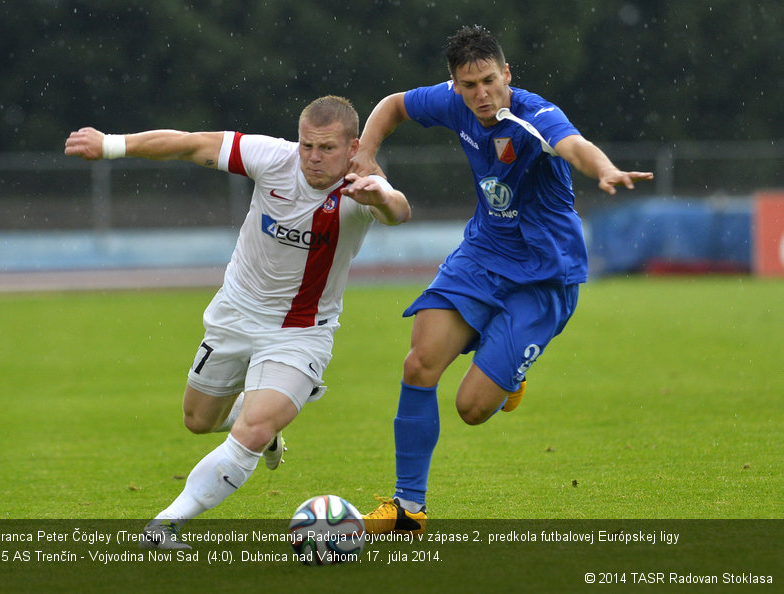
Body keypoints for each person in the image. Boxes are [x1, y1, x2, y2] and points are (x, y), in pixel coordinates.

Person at [64, 95, 411, 548]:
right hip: (235, 314)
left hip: (300, 332)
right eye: (307, 145)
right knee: (197, 420)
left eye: (326, 148)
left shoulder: (362, 185)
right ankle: (260, 425)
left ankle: (165, 525)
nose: (313, 158)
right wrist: (111, 145)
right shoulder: (273, 157)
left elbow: (399, 210)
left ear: (353, 147)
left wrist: (380, 195)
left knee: (254, 428)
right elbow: (191, 144)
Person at [350, 25, 653, 534]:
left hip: (544, 277)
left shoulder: (536, 117)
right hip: (482, 255)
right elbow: (394, 104)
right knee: (419, 363)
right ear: (455, 84)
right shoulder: (452, 102)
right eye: (469, 85)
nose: (481, 94)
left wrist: (603, 170)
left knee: (471, 408)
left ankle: (509, 366)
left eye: (490, 80)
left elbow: (575, 145)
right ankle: (407, 509)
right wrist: (366, 152)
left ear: (506, 74)